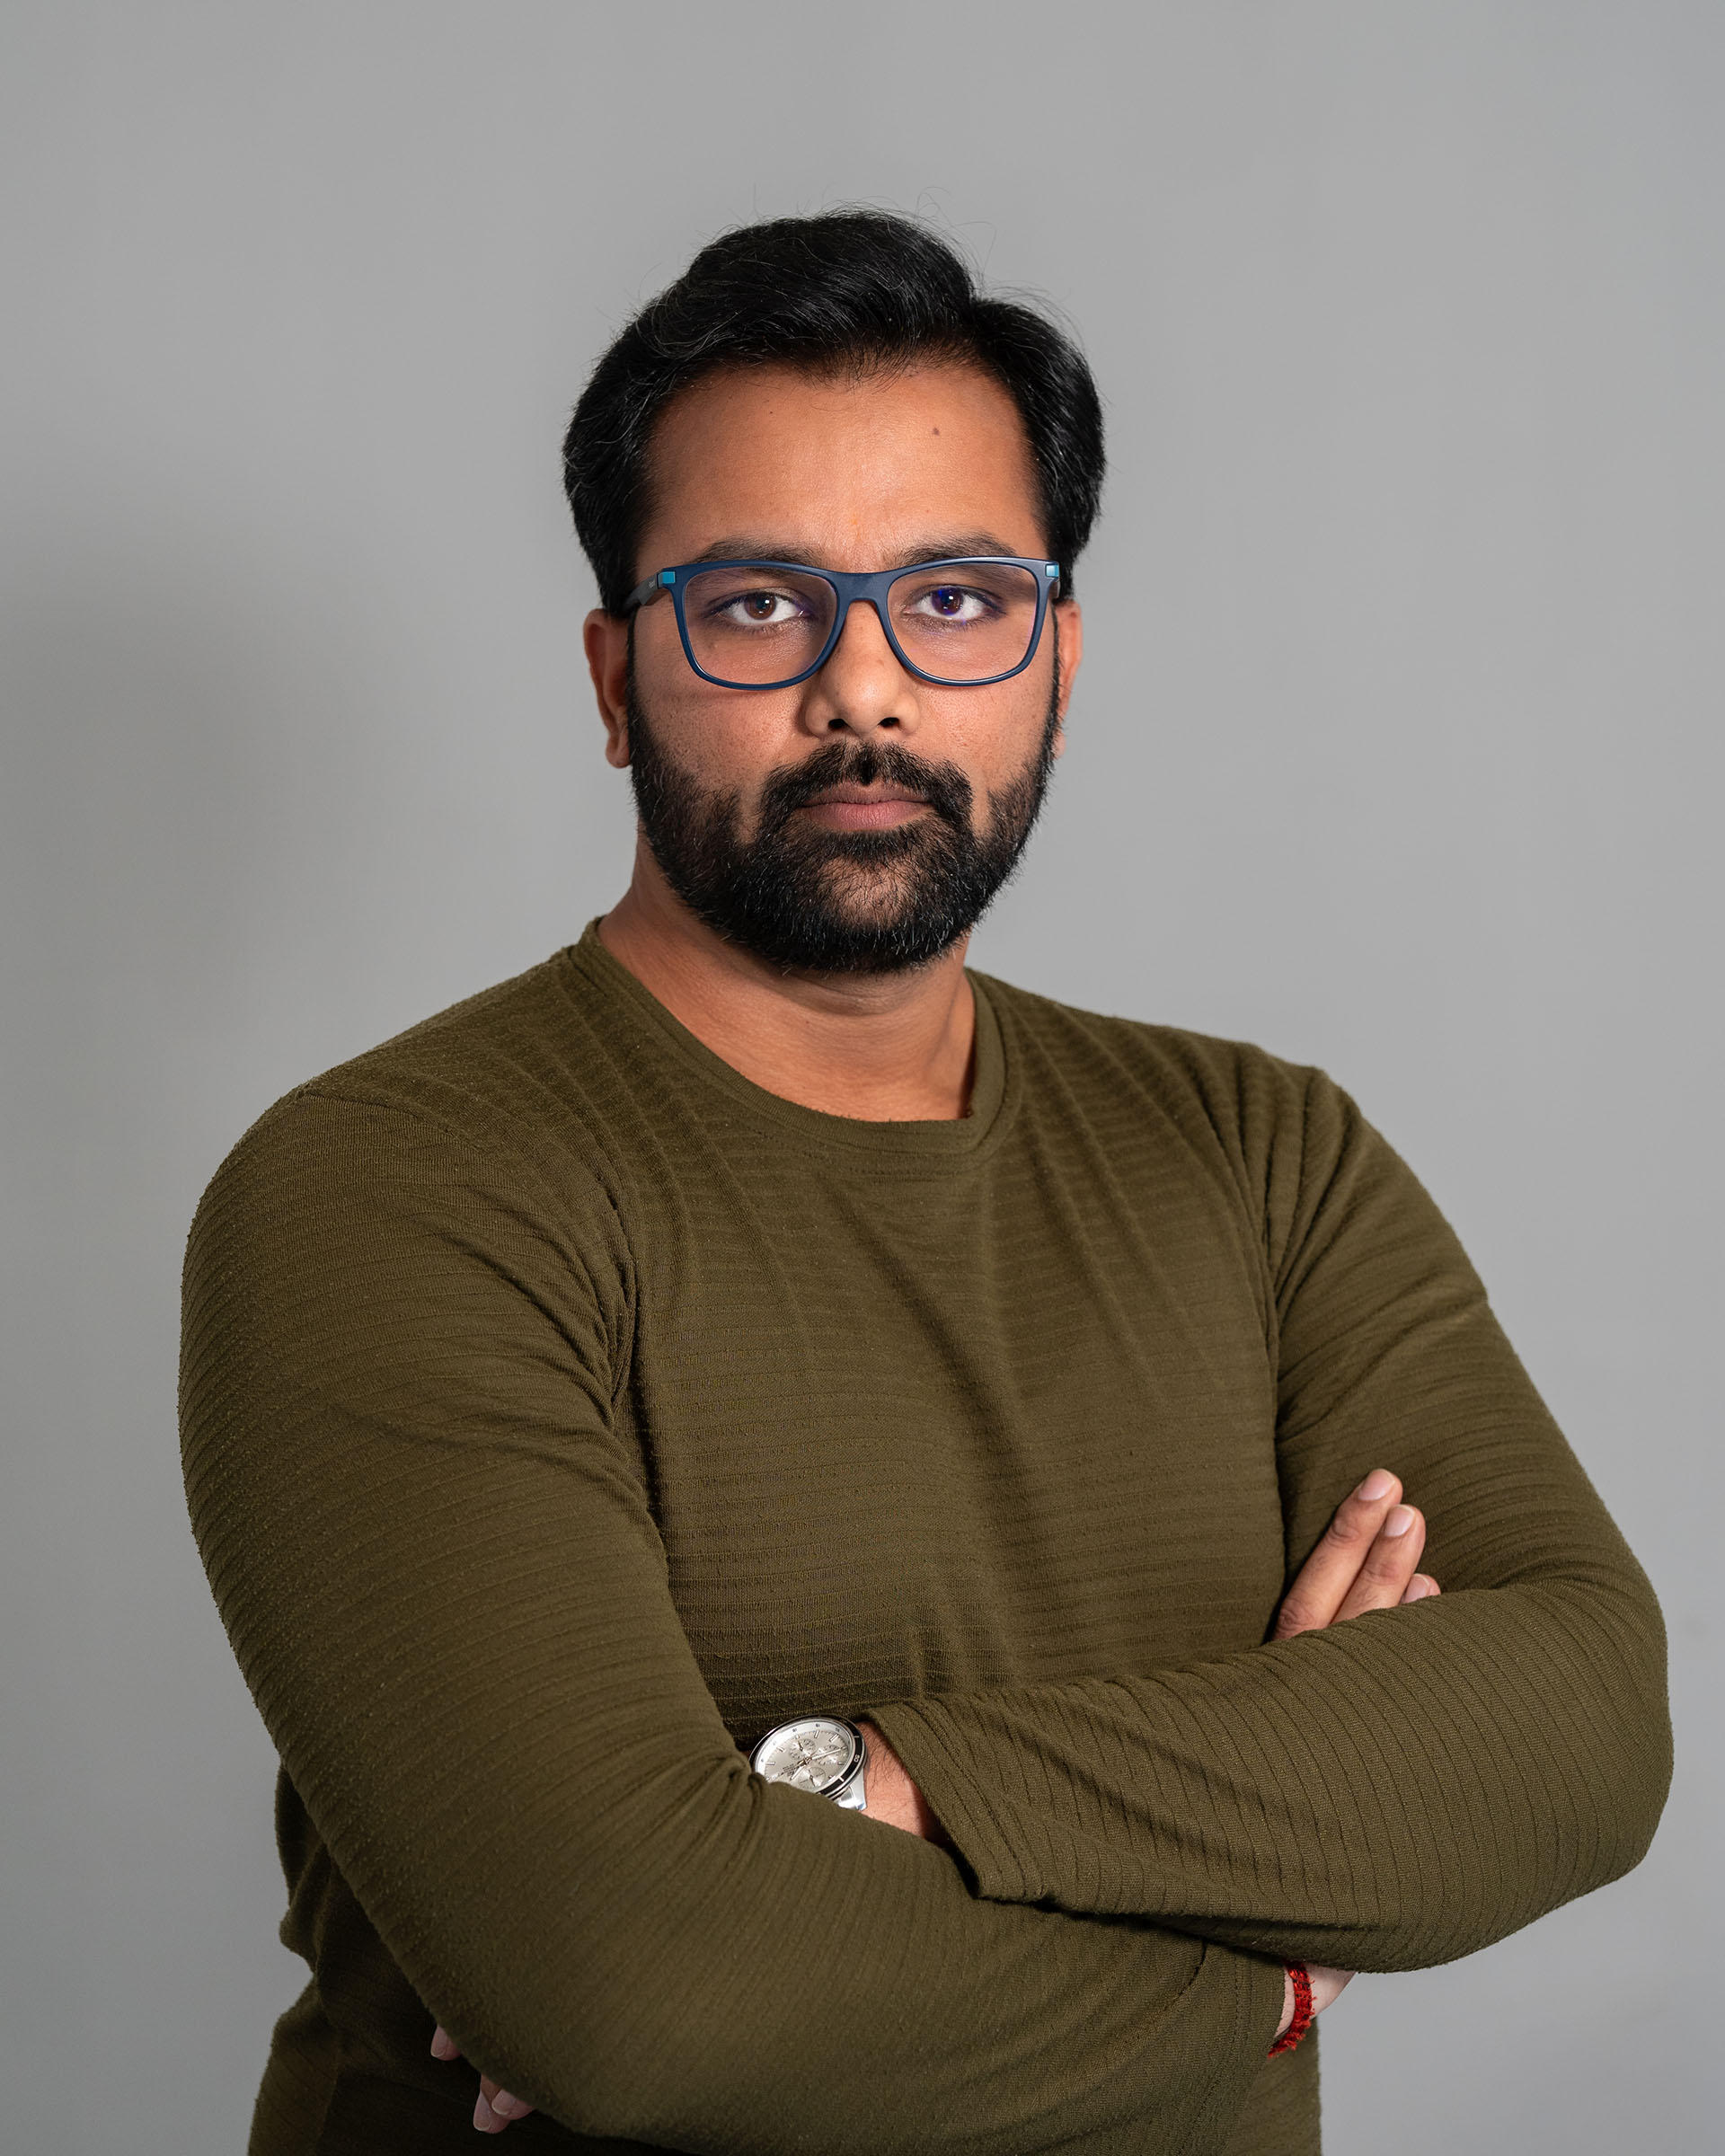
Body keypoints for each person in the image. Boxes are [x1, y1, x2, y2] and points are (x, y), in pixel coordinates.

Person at [180, 211, 1670, 2156]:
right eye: (756, 605)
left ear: (1058, 661)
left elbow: (1582, 1725)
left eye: (956, 599)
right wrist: (1277, 1971)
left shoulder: (1262, 1155)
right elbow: (648, 1992)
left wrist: (865, 1787)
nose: (863, 693)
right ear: (616, 678)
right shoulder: (394, 1192)